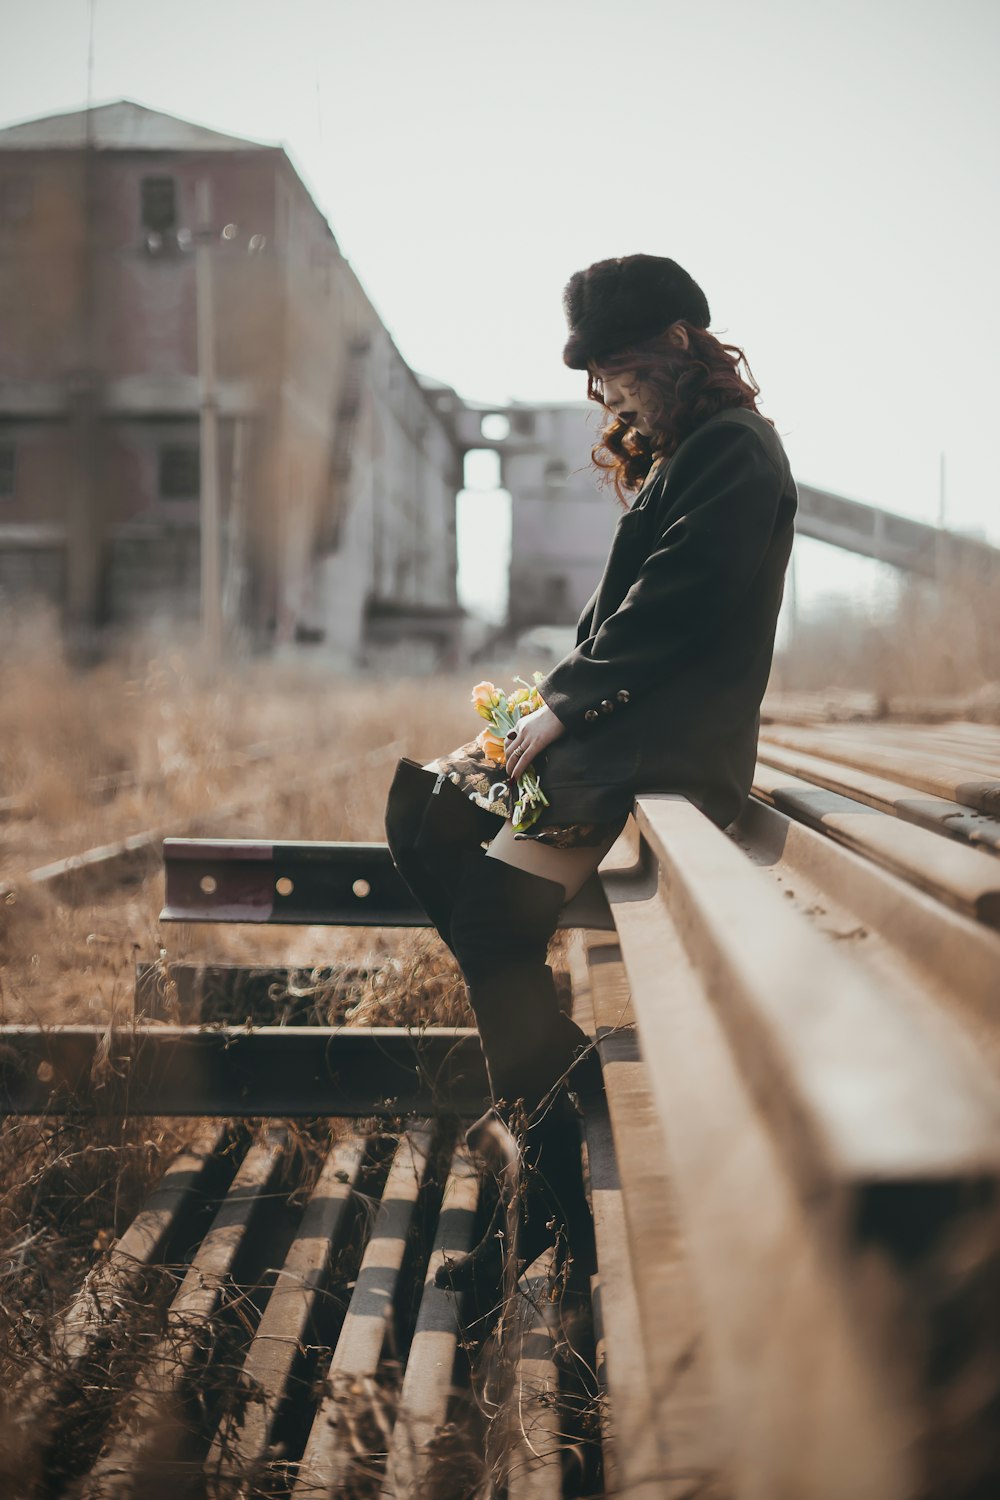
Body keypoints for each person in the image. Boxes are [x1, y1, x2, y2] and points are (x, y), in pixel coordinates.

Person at [384, 253, 798, 1292]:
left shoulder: (736, 451)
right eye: (593, 373)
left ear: (675, 343)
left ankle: (552, 1190)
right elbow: (620, 616)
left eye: (613, 366)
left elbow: (679, 598)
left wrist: (567, 705)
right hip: (622, 737)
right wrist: (533, 709)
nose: (603, 392)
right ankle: (558, 1124)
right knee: (420, 811)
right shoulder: (694, 450)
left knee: (485, 925)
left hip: (655, 749)